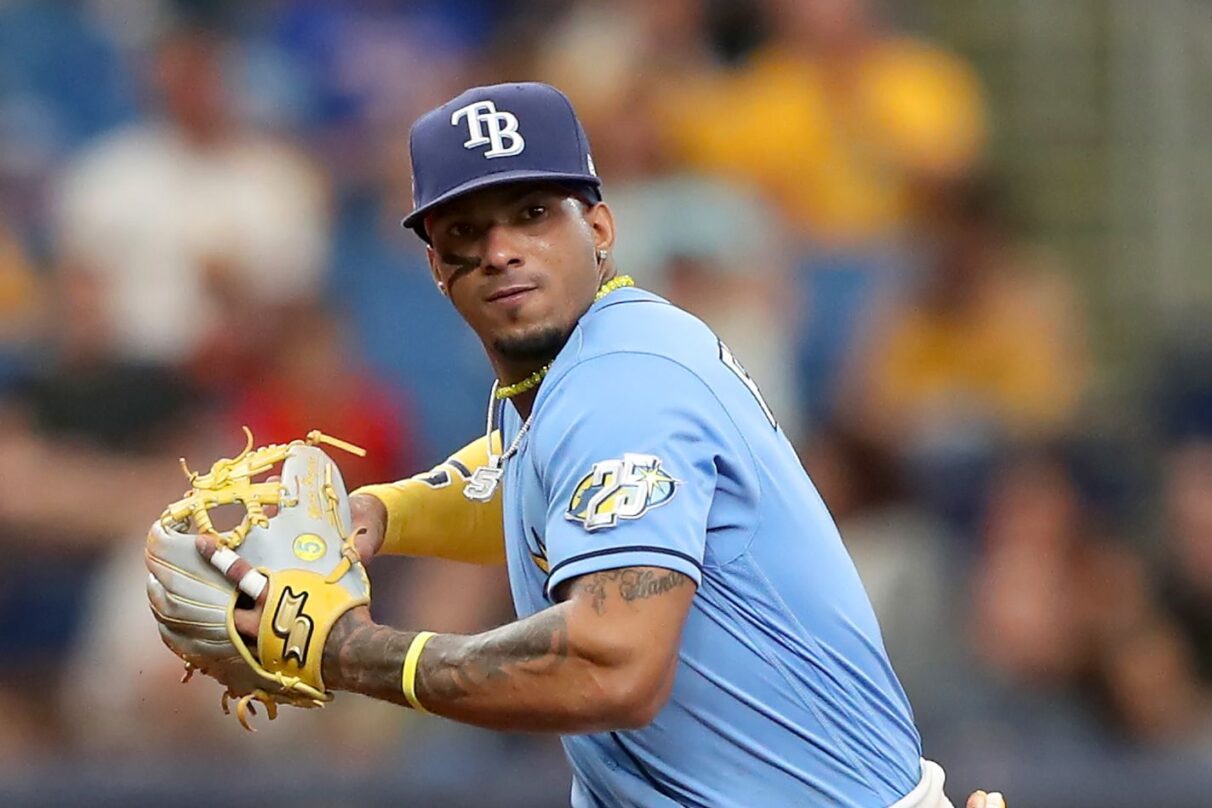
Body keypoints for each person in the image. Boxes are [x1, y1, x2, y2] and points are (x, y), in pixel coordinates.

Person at [186, 83, 1003, 808]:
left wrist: (348, 652)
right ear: (437, 263)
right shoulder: (568, 375)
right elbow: (533, 484)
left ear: (601, 225)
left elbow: (612, 666)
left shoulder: (621, 383)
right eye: (469, 226)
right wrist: (381, 512)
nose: (503, 247)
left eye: (535, 213)